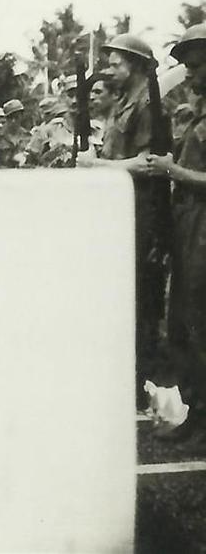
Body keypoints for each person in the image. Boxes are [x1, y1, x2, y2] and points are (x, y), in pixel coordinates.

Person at [77, 33, 170, 403]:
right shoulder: (124, 102)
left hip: (141, 213)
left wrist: (96, 166)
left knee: (138, 299)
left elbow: (148, 164)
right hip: (120, 210)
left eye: (117, 63)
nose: (110, 69)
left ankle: (136, 386)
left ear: (136, 66)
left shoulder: (147, 104)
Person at [145, 24, 206, 443]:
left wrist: (172, 171)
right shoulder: (198, 111)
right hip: (188, 229)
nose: (191, 75)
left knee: (200, 322)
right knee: (183, 323)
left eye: (197, 66)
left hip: (203, 230)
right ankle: (196, 412)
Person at [0, 99, 31, 168]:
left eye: (16, 117)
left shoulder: (28, 137)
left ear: (22, 116)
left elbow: (35, 163)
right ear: (6, 118)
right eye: (10, 118)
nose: (13, 121)